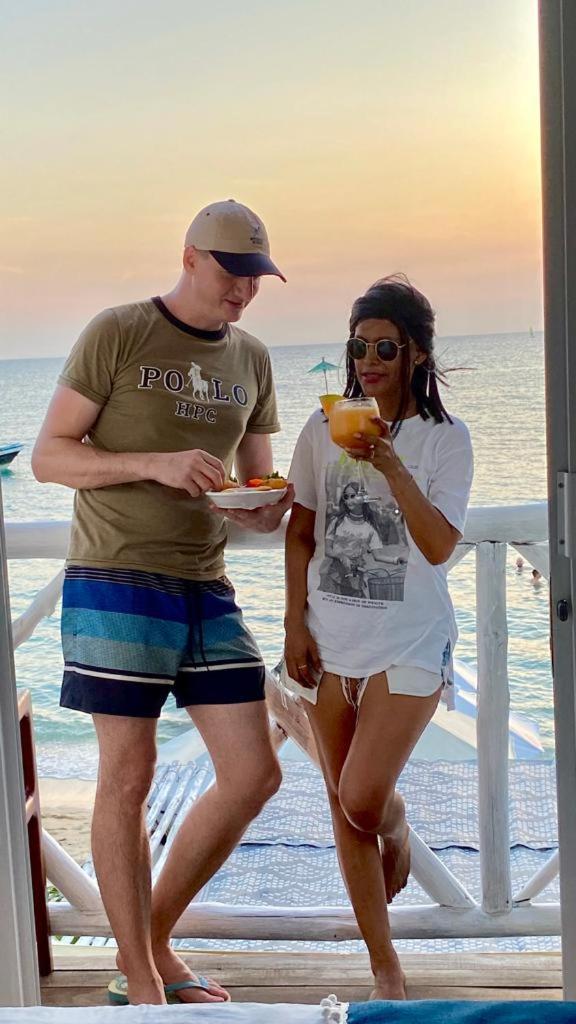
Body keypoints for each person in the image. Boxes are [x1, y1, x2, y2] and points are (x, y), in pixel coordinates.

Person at [32, 199, 293, 1006]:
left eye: (256, 276)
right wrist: (154, 462)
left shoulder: (252, 358)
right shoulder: (119, 331)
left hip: (206, 584)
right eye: (231, 271)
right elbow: (50, 456)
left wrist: (263, 509)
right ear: (189, 258)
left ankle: (148, 944)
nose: (244, 290)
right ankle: (145, 981)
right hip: (117, 577)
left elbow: (254, 480)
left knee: (253, 773)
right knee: (129, 777)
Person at [284, 275, 473, 1000]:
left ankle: (397, 822)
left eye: (385, 348)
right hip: (329, 641)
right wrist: (293, 622)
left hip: (409, 641)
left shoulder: (445, 440)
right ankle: (384, 969)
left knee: (363, 798)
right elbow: (301, 530)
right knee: (342, 811)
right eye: (359, 347)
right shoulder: (320, 428)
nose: (368, 361)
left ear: (416, 353)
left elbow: (439, 546)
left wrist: (390, 463)